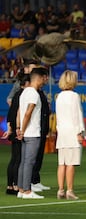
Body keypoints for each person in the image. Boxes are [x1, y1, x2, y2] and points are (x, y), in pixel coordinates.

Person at [17, 67, 47, 199]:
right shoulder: (34, 94)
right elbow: (28, 113)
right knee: (29, 162)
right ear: (39, 78)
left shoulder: (24, 92)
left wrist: (18, 128)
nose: (45, 81)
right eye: (45, 78)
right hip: (32, 132)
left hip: (24, 131)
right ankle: (27, 191)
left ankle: (21, 189)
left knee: (23, 162)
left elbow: (19, 111)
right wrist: (22, 130)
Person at [55, 70, 86, 200]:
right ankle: (70, 190)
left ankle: (61, 190)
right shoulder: (74, 96)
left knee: (62, 163)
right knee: (71, 163)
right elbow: (77, 115)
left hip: (62, 132)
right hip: (72, 132)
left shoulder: (59, 96)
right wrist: (80, 132)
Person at [2, 73, 30, 195]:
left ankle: (10, 185)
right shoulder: (23, 96)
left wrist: (9, 129)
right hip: (19, 130)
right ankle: (15, 185)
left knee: (14, 158)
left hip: (14, 129)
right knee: (18, 159)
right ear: (27, 84)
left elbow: (10, 113)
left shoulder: (16, 95)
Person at [31, 66, 51, 193]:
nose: (47, 79)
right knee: (33, 156)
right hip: (36, 128)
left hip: (42, 128)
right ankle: (31, 181)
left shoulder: (40, 91)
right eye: (45, 77)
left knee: (39, 156)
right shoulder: (33, 92)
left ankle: (36, 180)